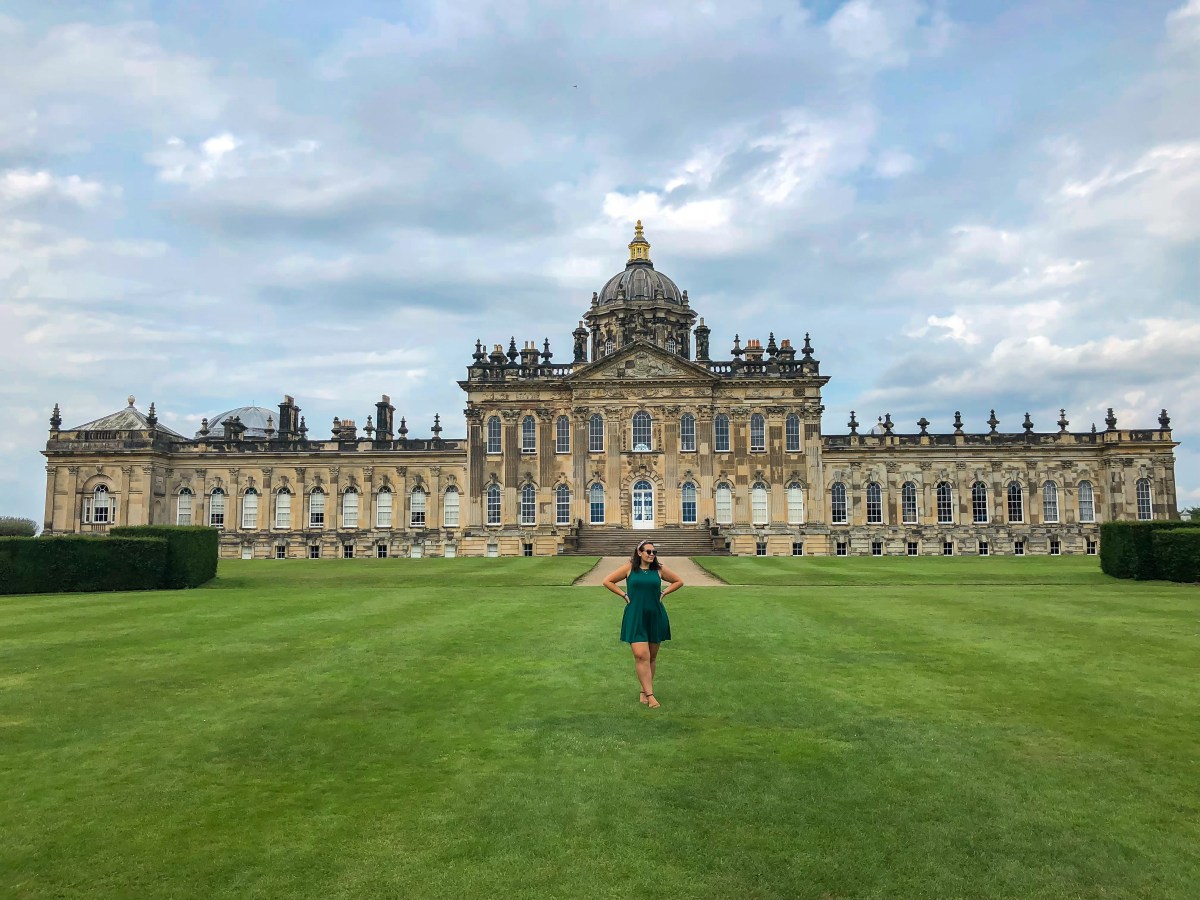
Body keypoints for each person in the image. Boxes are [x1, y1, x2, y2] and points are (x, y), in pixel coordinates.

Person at [602, 540, 683, 709]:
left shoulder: (658, 569)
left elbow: (678, 581)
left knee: (651, 657)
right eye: (648, 551)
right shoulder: (629, 568)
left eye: (654, 552)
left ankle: (643, 691)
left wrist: (664, 593)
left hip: (655, 615)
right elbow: (608, 581)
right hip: (635, 615)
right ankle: (651, 696)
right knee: (641, 655)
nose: (652, 554)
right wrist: (624, 595)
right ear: (639, 553)